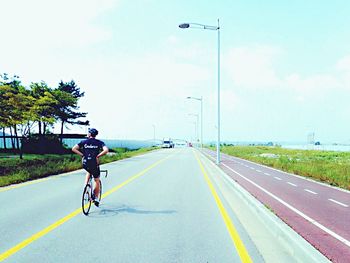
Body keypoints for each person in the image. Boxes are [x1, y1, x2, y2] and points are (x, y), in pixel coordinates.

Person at [72, 128, 109, 207]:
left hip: (85, 163)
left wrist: (83, 155)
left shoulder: (84, 142)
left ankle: (86, 186)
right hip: (94, 164)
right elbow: (106, 150)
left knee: (88, 171)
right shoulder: (99, 142)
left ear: (89, 134)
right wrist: (97, 156)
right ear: (95, 135)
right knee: (96, 180)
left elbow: (74, 149)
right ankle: (95, 197)